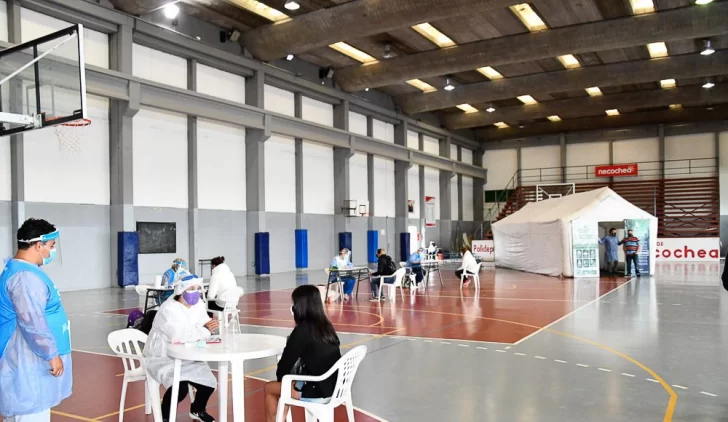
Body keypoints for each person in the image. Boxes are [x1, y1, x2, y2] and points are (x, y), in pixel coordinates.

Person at [0, 218, 72, 422]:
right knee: (30, 413)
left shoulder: (23, 271)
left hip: (27, 360)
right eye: (51, 246)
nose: (52, 251)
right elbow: (32, 322)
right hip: (27, 361)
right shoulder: (25, 278)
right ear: (39, 246)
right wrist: (52, 354)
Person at [144, 274, 219, 422]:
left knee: (209, 382)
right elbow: (178, 336)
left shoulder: (197, 304)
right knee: (180, 387)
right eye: (191, 289)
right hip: (163, 357)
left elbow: (203, 322)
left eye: (197, 288)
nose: (195, 292)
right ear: (180, 291)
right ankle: (165, 416)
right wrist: (205, 330)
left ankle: (197, 409)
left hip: (188, 354)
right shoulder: (169, 309)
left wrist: (209, 327)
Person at [263, 285, 341, 422]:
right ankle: (280, 418)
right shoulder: (327, 327)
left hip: (317, 389)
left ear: (299, 307)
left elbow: (283, 369)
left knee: (269, 388)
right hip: (336, 387)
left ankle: (278, 419)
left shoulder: (302, 331)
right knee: (289, 384)